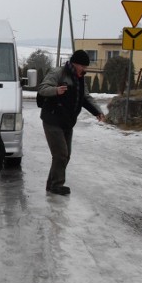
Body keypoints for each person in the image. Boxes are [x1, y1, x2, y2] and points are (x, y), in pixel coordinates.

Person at [37, 50, 105, 196]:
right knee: (61, 154)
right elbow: (42, 89)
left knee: (65, 155)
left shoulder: (80, 79)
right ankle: (56, 185)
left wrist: (97, 111)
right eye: (83, 66)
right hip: (52, 119)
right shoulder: (58, 73)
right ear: (75, 63)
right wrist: (56, 90)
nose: (85, 69)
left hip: (68, 122)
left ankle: (52, 184)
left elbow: (85, 98)